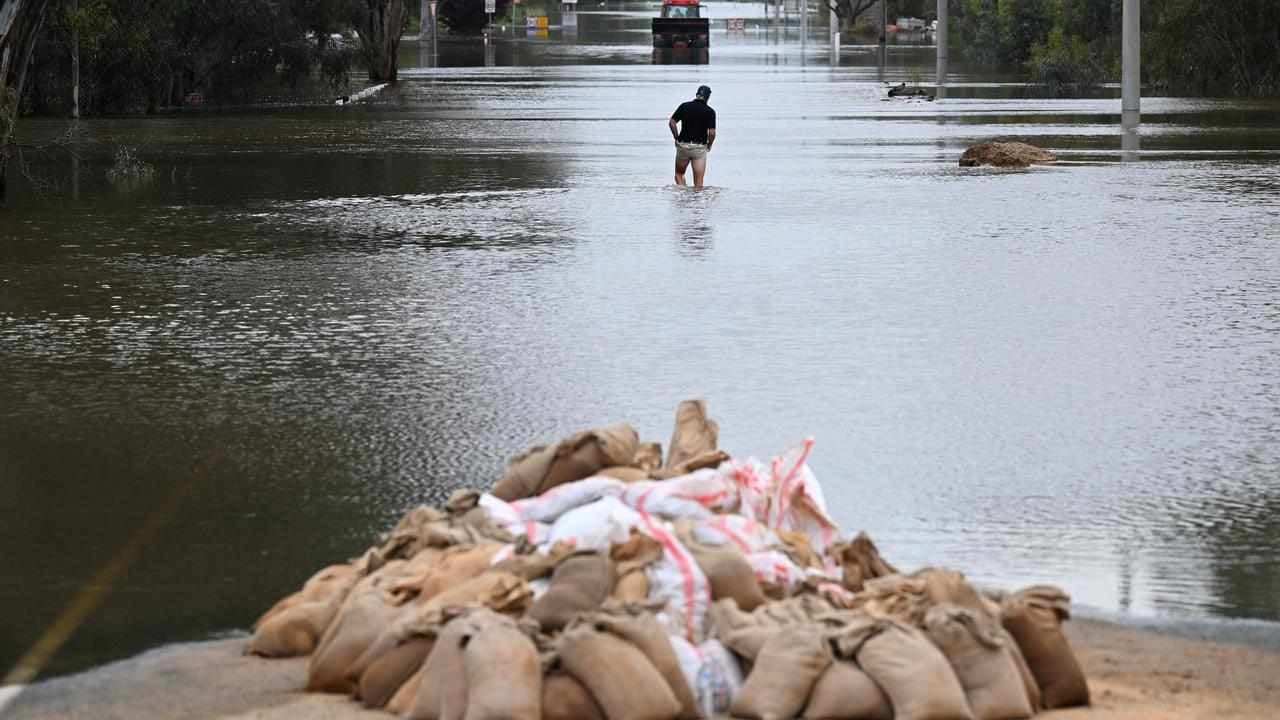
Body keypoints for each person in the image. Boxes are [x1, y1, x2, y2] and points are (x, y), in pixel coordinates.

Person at [668, 85, 716, 188]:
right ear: (708, 97)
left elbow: (672, 122)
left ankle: (682, 193)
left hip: (683, 146)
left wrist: (676, 137)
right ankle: (695, 202)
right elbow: (712, 133)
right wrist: (709, 145)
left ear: (697, 95)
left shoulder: (684, 106)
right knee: (698, 184)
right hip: (699, 149)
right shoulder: (710, 111)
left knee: (679, 174)